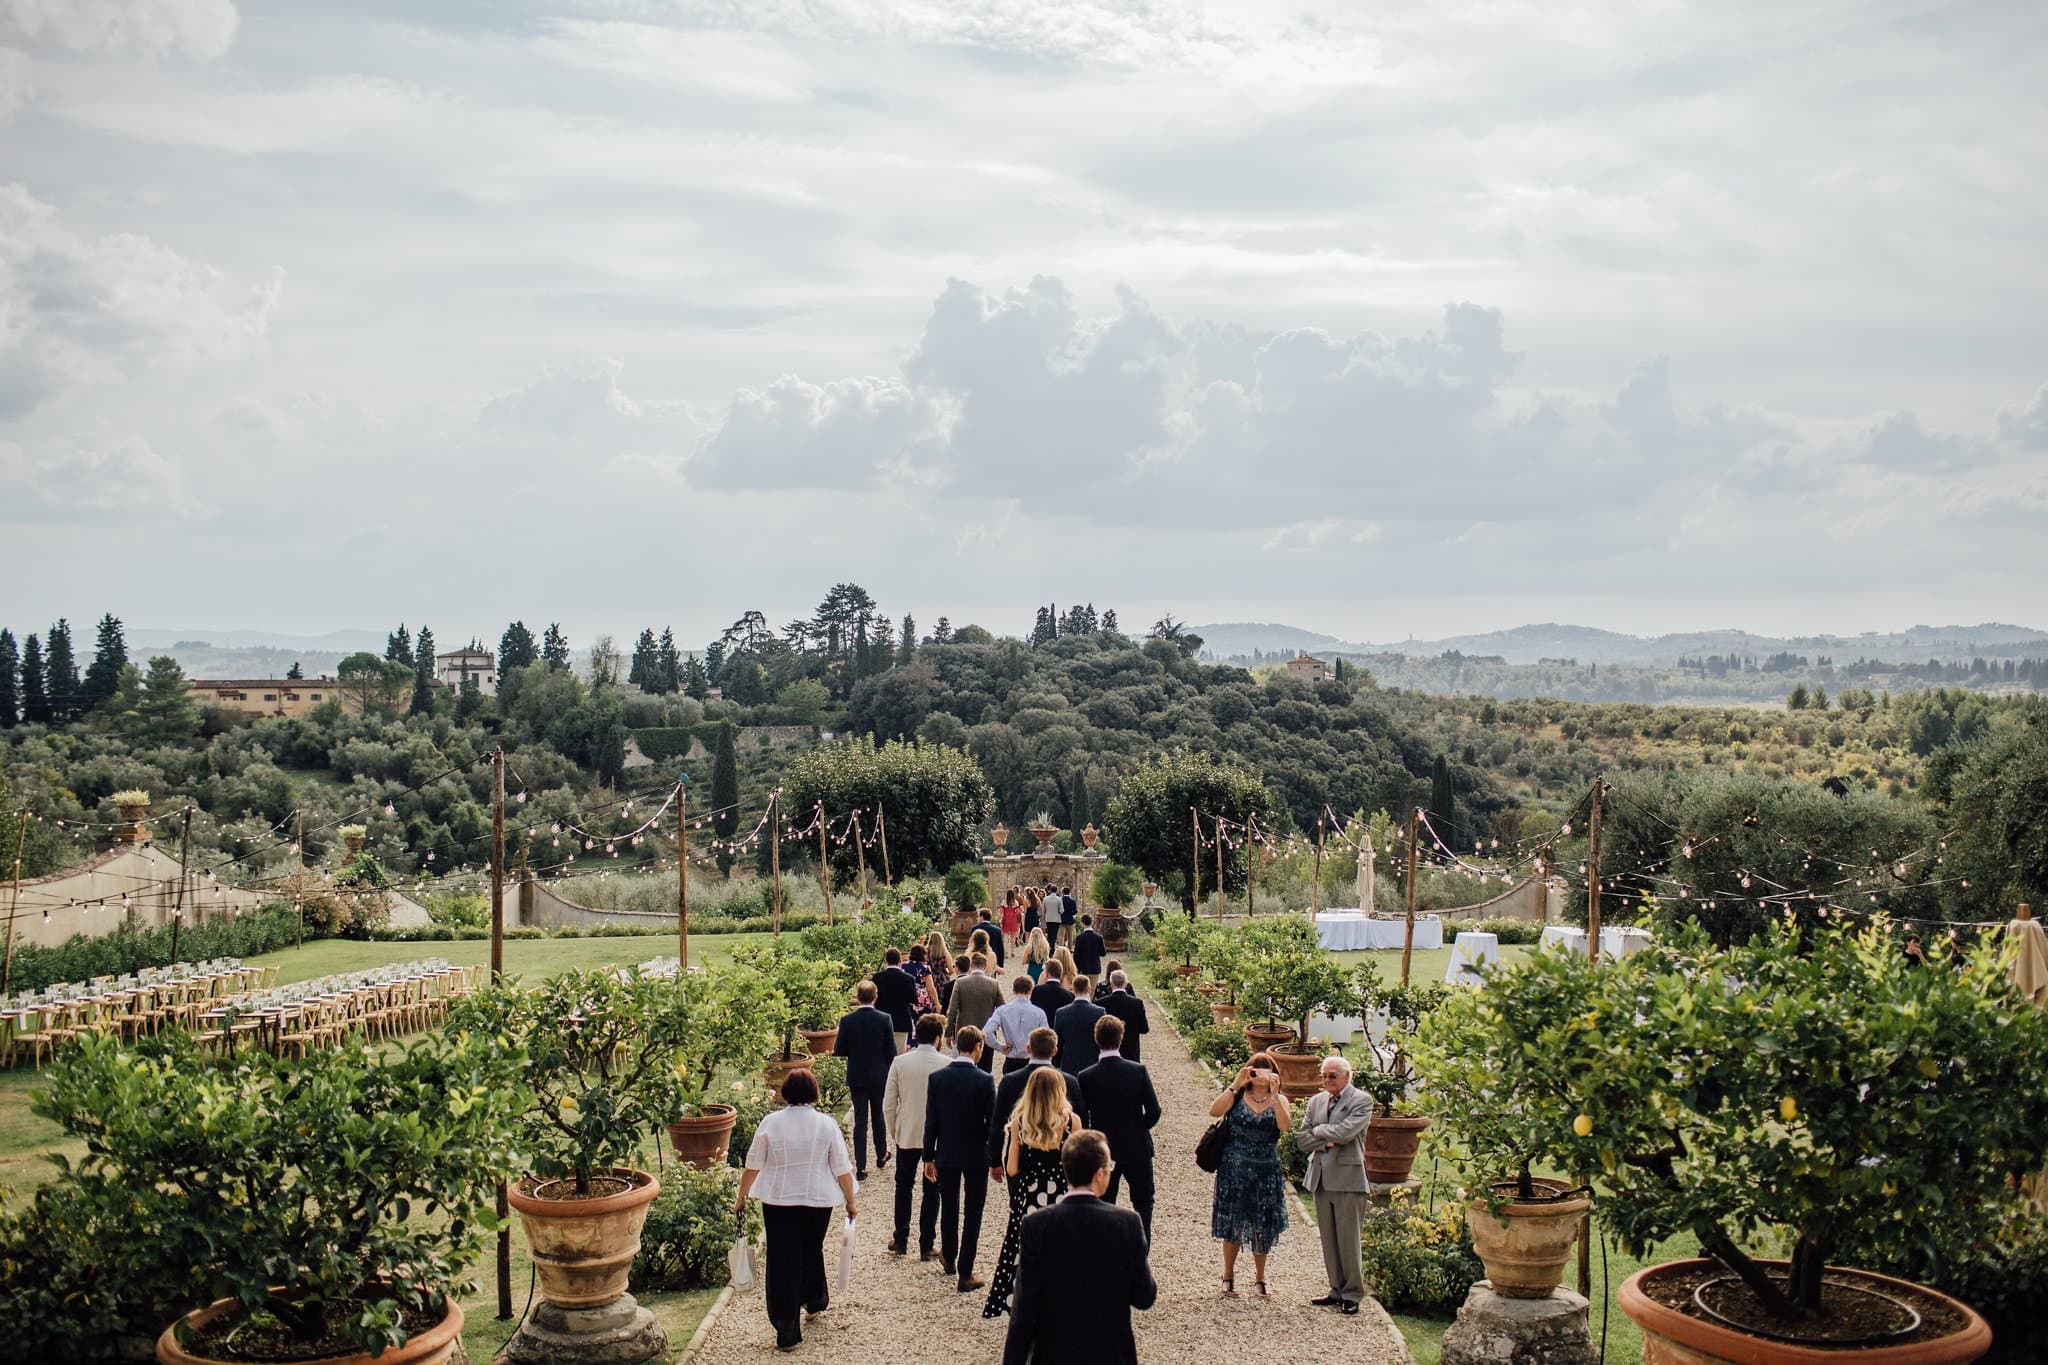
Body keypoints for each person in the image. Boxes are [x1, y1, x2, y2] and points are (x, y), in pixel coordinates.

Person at [1001, 1130, 1156, 1365]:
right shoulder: (1127, 1223)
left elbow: (1024, 1308)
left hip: (1053, 1353)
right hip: (1110, 1353)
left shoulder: (1036, 1225)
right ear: (1099, 1174)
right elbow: (1144, 1296)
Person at [734, 1069, 857, 1353]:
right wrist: (850, 1201)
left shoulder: (771, 1123)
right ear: (814, 1092)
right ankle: (813, 1300)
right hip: (817, 1200)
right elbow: (842, 1167)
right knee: (810, 1249)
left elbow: (753, 1164)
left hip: (779, 1199)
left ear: (786, 1092)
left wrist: (742, 1196)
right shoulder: (826, 1125)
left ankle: (787, 1327)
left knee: (783, 1259)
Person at [983, 1065, 1082, 1317]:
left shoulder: (1020, 1122)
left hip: (1029, 1195)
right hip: (1061, 1193)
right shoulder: (1072, 1121)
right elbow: (1077, 1165)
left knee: (1022, 1254)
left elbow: (1013, 1168)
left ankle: (1023, 1307)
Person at [1209, 1052, 1292, 1298]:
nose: (1260, 1078)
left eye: (1265, 1073)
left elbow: (1285, 1126)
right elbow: (1214, 1111)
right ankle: (1228, 1275)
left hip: (1266, 1169)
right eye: (1255, 1072)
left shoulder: (1280, 1099)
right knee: (1232, 1221)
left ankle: (1260, 1278)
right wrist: (1236, 1084)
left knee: (1262, 1224)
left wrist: (1275, 1096)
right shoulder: (1237, 1096)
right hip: (1234, 1168)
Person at [1296, 1054, 1373, 1314]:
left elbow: (1346, 1133)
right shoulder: (1316, 1101)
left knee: (1348, 1240)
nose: (1327, 1080)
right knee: (1328, 1239)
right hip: (1320, 1177)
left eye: (1333, 1076)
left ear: (1347, 1076)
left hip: (1348, 1179)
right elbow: (1302, 1140)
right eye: (1325, 1075)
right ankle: (1335, 1289)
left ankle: (1352, 1293)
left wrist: (1319, 1131)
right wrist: (1327, 1137)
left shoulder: (1361, 1101)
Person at [924, 1025, 996, 1292]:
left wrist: (928, 1155)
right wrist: (994, 1156)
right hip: (976, 1153)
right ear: (977, 1047)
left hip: (947, 1152)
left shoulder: (937, 1078)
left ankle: (949, 1256)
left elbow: (931, 1121)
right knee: (973, 1211)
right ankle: (966, 1270)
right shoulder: (985, 1080)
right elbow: (993, 1123)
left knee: (950, 1206)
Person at [1078, 1014, 1160, 1240]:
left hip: (1104, 1149)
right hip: (1137, 1147)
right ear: (1121, 1039)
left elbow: (1082, 1117)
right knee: (1144, 1205)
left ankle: (1105, 1254)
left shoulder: (1086, 1076)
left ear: (1096, 1039)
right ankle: (1141, 1256)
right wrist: (1138, 1128)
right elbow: (1154, 1111)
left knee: (1104, 1205)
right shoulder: (1138, 1071)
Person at [881, 1013, 951, 1259]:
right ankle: (926, 1244)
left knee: (904, 1186)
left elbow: (888, 1104)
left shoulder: (901, 1063)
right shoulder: (946, 1064)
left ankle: (901, 1238)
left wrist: (895, 1129)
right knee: (932, 1190)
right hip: (938, 1137)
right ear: (938, 1038)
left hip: (908, 1131)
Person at [988, 1026, 1087, 1177]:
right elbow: (1082, 1122)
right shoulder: (1069, 1082)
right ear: (1055, 1051)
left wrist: (995, 1160)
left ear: (1028, 1048)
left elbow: (998, 1122)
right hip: (1061, 1160)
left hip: (1022, 1157)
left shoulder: (1010, 1081)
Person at [833, 980, 898, 1180]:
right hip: (879, 1075)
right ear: (875, 997)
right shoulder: (885, 1019)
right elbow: (891, 1052)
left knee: (860, 1121)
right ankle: (881, 1154)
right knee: (878, 1116)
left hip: (857, 1075)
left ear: (857, 997)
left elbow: (840, 1050)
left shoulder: (847, 1021)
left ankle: (860, 1166)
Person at [945, 952, 1005, 1072]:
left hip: (964, 1031)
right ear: (985, 966)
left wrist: (948, 1032)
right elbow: (1002, 1009)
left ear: (971, 966)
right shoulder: (994, 984)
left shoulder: (960, 983)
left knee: (963, 1068)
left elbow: (952, 1010)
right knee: (985, 1069)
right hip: (987, 1032)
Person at [987, 975, 1049, 1077]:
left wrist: (999, 1046)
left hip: (1011, 1059)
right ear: (1030, 991)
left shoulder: (1002, 1010)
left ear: (1013, 990)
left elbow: (987, 1032)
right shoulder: (1039, 1012)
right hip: (1031, 1059)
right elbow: (1046, 1037)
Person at [1053, 977, 1106, 1076]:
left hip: (1069, 1064)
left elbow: (1058, 1041)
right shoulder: (1099, 1012)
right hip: (1092, 1062)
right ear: (1089, 989)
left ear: (1073, 989)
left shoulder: (1061, 1013)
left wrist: (1058, 1062)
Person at [873, 947, 919, 1051]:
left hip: (881, 1021)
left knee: (882, 1054)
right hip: (901, 1021)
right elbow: (913, 999)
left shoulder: (877, 977)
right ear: (900, 960)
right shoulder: (908, 978)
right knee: (898, 1053)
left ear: (886, 961)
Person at [1099, 969, 1150, 1063]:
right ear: (1126, 984)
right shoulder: (1137, 1003)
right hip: (1131, 1052)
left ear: (1111, 984)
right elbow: (1144, 1029)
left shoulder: (1101, 1003)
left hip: (1108, 1051)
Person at [1073, 912, 1106, 979]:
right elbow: (1103, 953)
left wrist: (1077, 968)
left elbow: (1076, 955)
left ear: (1082, 923)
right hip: (1095, 968)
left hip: (1083, 969)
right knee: (1093, 989)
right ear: (1091, 922)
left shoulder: (1080, 938)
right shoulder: (1099, 937)